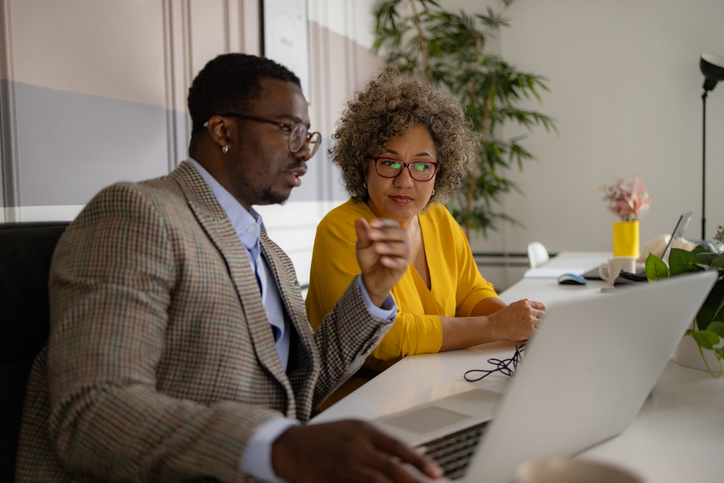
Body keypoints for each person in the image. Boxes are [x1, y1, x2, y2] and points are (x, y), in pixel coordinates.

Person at [15, 54, 443, 482]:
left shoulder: (270, 254)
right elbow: (93, 411)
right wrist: (278, 448)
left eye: (307, 136)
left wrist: (370, 291)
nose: (303, 152)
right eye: (287, 129)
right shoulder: (137, 213)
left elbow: (295, 390)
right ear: (223, 130)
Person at [305, 71, 546, 407]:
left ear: (439, 171)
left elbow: (471, 291)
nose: (405, 181)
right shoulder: (342, 229)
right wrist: (494, 327)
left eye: (421, 166)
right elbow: (384, 340)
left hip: (433, 391)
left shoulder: (439, 218)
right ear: (363, 166)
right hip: (360, 404)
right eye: (390, 163)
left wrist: (517, 326)